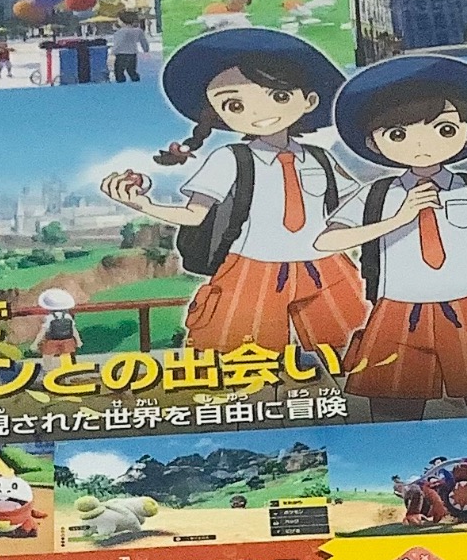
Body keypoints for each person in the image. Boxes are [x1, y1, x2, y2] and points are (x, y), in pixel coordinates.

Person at [316, 52, 467, 421]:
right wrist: (397, 220)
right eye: (398, 134)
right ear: (374, 143)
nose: (421, 145)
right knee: (393, 415)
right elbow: (326, 241)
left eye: (444, 129)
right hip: (396, 313)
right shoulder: (376, 195)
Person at [99, 27, 365, 355]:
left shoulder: (321, 158)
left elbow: (356, 203)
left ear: (309, 101)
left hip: (326, 266)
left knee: (355, 348)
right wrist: (142, 204)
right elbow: (195, 214)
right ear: (217, 114)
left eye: (279, 96)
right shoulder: (229, 158)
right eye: (235, 104)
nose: (259, 113)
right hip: (254, 267)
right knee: (235, 355)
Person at [107, 12, 148, 82]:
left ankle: (121, 84)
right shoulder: (138, 31)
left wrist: (112, 52)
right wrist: (146, 49)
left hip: (121, 54)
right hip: (133, 54)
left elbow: (118, 43)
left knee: (119, 72)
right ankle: (136, 81)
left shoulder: (119, 32)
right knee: (131, 71)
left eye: (119, 20)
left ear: (123, 21)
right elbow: (143, 41)